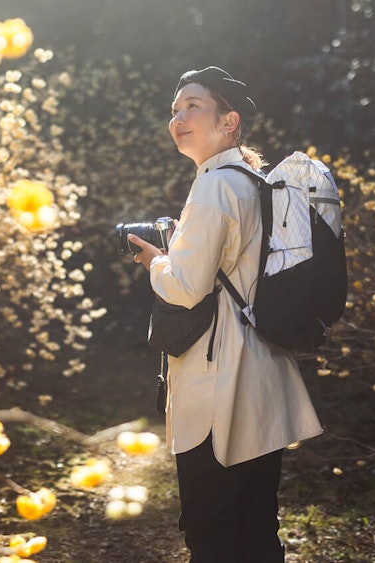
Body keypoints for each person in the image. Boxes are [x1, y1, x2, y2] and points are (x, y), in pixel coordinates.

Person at [128, 66, 323, 562]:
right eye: (175, 109)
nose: (179, 116)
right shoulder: (253, 180)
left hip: (220, 385)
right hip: (263, 373)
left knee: (212, 533)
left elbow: (186, 287)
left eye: (194, 105)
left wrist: (157, 261)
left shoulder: (215, 185)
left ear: (229, 120)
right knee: (256, 528)